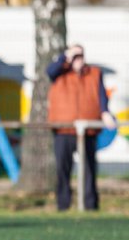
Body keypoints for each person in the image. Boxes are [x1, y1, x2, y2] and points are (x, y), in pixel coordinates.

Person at [47, 44, 117, 211]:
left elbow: (101, 96)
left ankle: (90, 205)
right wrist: (66, 57)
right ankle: (63, 205)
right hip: (63, 129)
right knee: (62, 169)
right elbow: (50, 71)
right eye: (75, 55)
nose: (78, 59)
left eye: (80, 55)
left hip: (87, 129)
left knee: (89, 170)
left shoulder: (94, 74)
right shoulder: (60, 73)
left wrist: (105, 112)